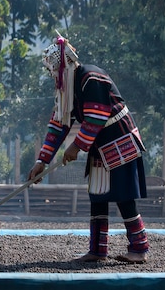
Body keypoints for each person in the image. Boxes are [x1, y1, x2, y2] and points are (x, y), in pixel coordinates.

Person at [28, 34, 149, 263]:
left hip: (119, 139)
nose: (52, 75)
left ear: (64, 65)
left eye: (53, 69)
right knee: (97, 195)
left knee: (123, 196)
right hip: (99, 145)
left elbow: (96, 117)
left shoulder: (91, 78)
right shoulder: (68, 90)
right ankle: (98, 250)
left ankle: (139, 247)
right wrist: (41, 161)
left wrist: (76, 147)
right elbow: (58, 125)